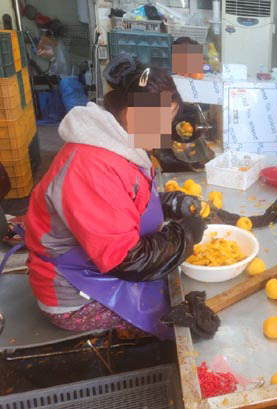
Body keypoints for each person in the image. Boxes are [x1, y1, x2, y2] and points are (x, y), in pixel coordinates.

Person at [25, 54, 206, 339]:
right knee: (180, 318)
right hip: (75, 295)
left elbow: (125, 200)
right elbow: (128, 260)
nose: (164, 131)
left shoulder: (118, 144)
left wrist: (171, 203)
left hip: (100, 273)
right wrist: (184, 238)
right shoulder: (91, 165)